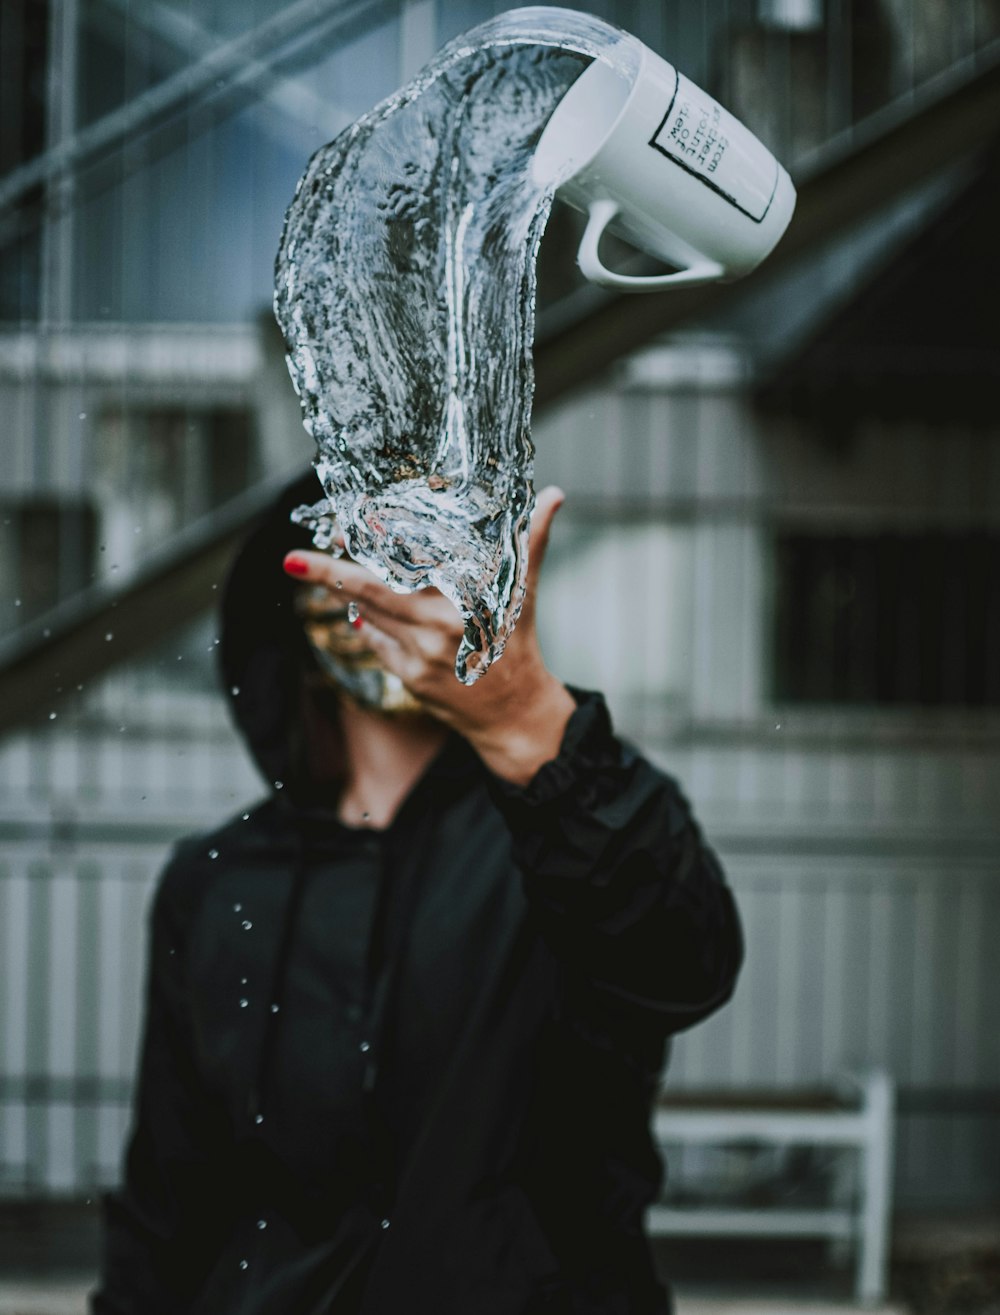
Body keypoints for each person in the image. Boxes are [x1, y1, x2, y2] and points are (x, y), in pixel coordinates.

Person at [92, 470, 743, 1315]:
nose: (399, 586)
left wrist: (526, 723)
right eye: (368, 556)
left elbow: (684, 959)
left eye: (427, 554)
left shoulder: (569, 823)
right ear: (300, 599)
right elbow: (170, 1204)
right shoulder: (217, 883)